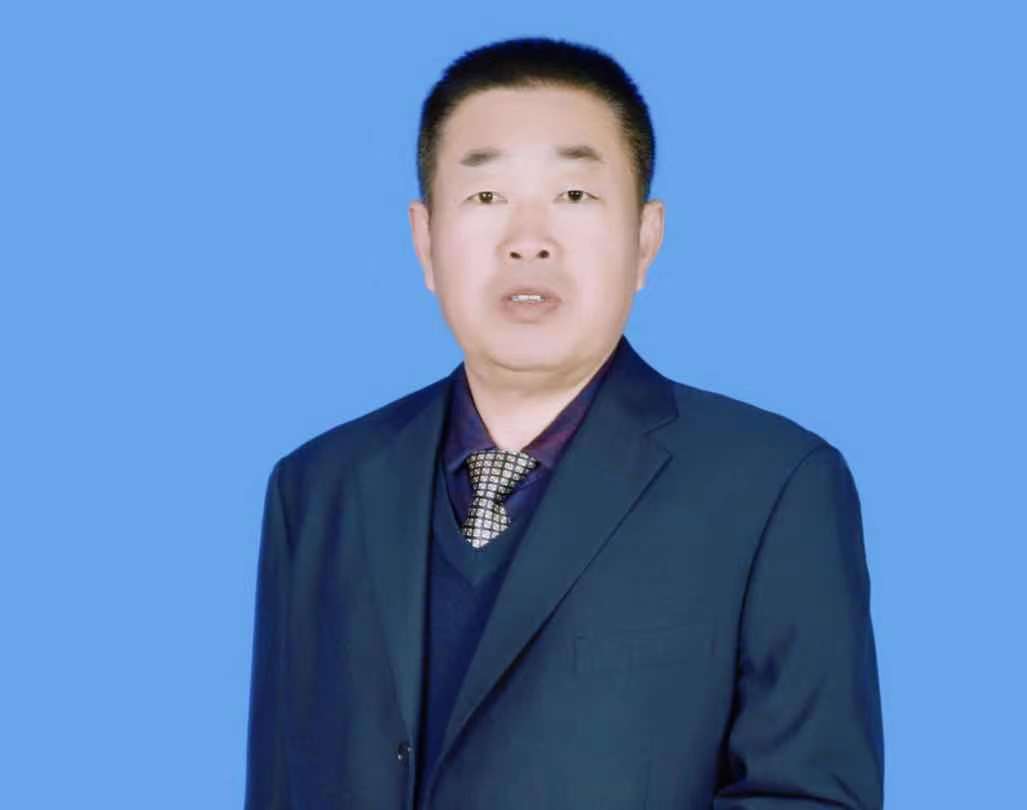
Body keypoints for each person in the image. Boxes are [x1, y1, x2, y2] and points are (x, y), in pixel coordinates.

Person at [243, 35, 884, 810]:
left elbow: (808, 797)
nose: (528, 241)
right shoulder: (317, 490)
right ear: (425, 240)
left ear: (645, 238)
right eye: (486, 197)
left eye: (574, 196)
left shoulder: (774, 488)